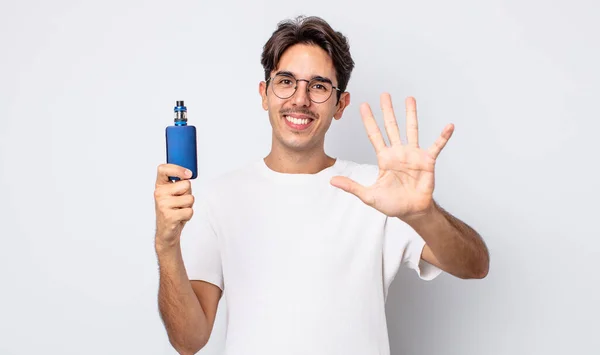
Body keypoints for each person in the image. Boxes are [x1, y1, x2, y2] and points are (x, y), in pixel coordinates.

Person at [153, 15, 490, 355]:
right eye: (286, 81)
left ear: (339, 104)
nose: (300, 99)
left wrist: (422, 213)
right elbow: (188, 340)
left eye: (318, 86)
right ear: (264, 94)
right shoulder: (217, 199)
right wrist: (166, 247)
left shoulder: (379, 190)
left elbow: (475, 266)